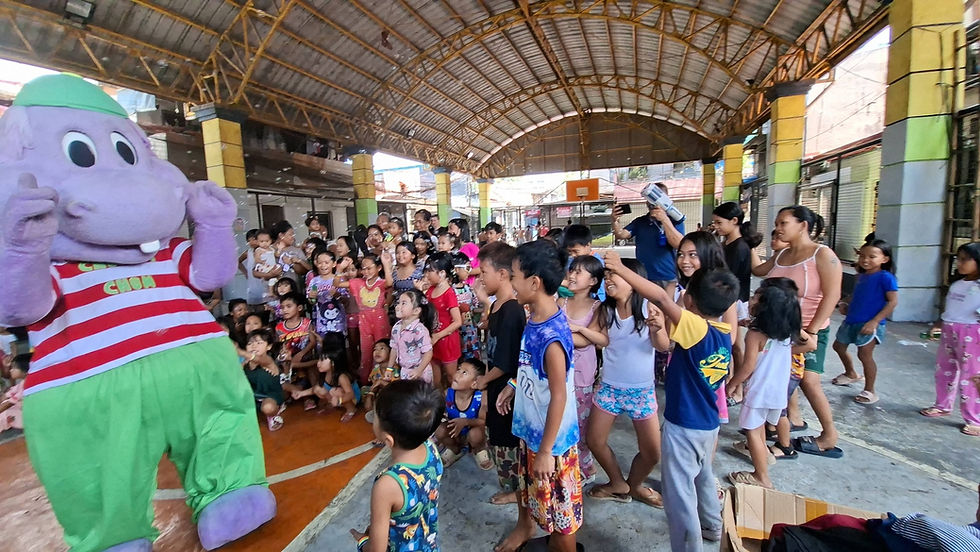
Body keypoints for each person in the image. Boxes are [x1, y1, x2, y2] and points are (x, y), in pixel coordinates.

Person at [604, 253, 737, 550]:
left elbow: (660, 299)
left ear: (689, 300)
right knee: (702, 478)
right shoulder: (722, 331)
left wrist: (621, 268)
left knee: (679, 499)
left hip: (685, 426)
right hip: (708, 425)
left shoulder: (697, 328)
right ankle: (714, 527)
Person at [494, 239, 581, 552]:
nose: (510, 281)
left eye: (514, 275)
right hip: (532, 431)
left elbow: (559, 397)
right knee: (532, 494)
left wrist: (546, 451)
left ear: (534, 282)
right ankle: (527, 526)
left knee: (561, 518)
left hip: (552, 444)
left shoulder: (553, 337)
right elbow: (529, 366)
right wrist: (513, 386)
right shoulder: (534, 317)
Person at [753, 205, 843, 458]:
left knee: (809, 381)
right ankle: (790, 421)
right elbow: (759, 271)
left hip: (810, 331)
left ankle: (829, 435)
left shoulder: (822, 255)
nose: (778, 228)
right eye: (778, 223)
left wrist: (812, 330)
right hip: (781, 331)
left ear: (803, 225)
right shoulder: (781, 256)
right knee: (783, 377)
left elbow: (833, 293)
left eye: (784, 223)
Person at [586, 257, 666, 508]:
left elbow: (664, 346)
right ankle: (617, 483)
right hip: (609, 387)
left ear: (634, 281)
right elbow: (593, 337)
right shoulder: (604, 310)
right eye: (607, 275)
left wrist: (658, 329)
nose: (608, 280)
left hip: (641, 391)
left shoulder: (649, 309)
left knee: (653, 452)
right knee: (595, 441)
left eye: (614, 275)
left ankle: (635, 484)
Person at [725, 278, 815, 489]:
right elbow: (810, 344)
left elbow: (747, 368)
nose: (752, 300)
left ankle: (761, 477)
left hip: (759, 391)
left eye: (756, 297)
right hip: (778, 391)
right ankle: (763, 459)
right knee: (761, 428)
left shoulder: (755, 335)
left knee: (753, 432)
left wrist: (732, 384)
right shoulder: (786, 331)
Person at [350, 380, 444, 552]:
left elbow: (377, 550)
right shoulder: (431, 448)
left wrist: (363, 542)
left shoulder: (388, 484)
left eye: (375, 417)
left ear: (388, 440)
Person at [475, 242, 526, 507]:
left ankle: (516, 491)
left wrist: (483, 380)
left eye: (484, 272)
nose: (480, 278)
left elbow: (507, 362)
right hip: (494, 386)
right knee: (496, 435)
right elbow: (492, 349)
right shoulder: (496, 306)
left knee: (508, 441)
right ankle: (511, 485)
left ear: (503, 274)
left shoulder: (512, 310)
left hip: (507, 391)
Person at [675, 232, 738, 421]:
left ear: (708, 255)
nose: (684, 261)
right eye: (680, 254)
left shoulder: (722, 290)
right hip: (682, 366)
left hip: (705, 367)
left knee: (705, 422)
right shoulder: (684, 289)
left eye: (693, 255)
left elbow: (731, 335)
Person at [920, 241, 980, 436]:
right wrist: (939, 324)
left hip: (972, 333)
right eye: (958, 259)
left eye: (965, 260)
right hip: (949, 330)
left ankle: (974, 418)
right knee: (944, 370)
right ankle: (942, 404)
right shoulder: (957, 285)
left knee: (970, 376)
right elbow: (949, 309)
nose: (959, 263)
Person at [831, 239, 899, 405]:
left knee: (865, 355)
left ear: (885, 259)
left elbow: (892, 301)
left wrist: (875, 321)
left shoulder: (885, 277)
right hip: (852, 320)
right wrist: (845, 303)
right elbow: (857, 295)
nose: (865, 260)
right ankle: (851, 373)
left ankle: (870, 390)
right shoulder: (861, 276)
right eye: (862, 256)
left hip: (869, 323)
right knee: (838, 346)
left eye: (872, 256)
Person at [559, 255, 607, 485]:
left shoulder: (597, 306)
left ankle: (585, 468)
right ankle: (567, 465)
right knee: (562, 418)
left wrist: (576, 331)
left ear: (593, 280)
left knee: (580, 421)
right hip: (560, 368)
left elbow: (588, 341)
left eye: (580, 272)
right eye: (572, 270)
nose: (573, 275)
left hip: (582, 372)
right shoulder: (562, 301)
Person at [711, 202, 764, 377]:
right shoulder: (728, 243)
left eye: (719, 222)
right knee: (732, 343)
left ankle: (738, 382)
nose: (715, 226)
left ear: (734, 220)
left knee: (735, 345)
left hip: (734, 299)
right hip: (729, 298)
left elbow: (729, 276)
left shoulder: (740, 246)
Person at [611, 182, 685, 297]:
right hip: (644, 276)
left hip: (668, 276)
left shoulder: (675, 220)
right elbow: (621, 234)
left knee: (668, 310)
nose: (651, 203)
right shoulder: (640, 222)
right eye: (648, 199)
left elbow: (678, 244)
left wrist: (665, 220)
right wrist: (615, 220)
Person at [337, 252, 395, 384]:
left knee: (382, 348)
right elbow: (337, 283)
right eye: (363, 268)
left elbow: (390, 283)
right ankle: (366, 382)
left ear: (378, 268)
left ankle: (385, 380)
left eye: (369, 268)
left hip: (380, 319)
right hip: (364, 320)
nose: (366, 271)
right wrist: (340, 269)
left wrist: (386, 264)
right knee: (366, 350)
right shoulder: (357, 282)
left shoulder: (381, 283)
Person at [436, 357, 493, 470]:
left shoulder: (480, 398)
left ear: (474, 384)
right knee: (439, 430)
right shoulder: (447, 394)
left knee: (475, 434)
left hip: (473, 429)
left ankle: (479, 449)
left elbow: (483, 421)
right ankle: (455, 449)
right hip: (456, 431)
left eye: (464, 372)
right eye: (458, 369)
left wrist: (465, 422)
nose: (458, 374)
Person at [424, 252, 463, 388]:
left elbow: (458, 321)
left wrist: (438, 335)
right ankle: (440, 405)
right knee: (436, 378)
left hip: (447, 340)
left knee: (452, 376)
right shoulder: (429, 291)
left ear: (442, 273)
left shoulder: (449, 293)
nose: (427, 274)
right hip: (433, 339)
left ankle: (455, 404)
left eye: (430, 271)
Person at [276, 292, 320, 410]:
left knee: (309, 367)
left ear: (299, 308)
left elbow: (312, 342)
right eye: (282, 307)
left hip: (305, 357)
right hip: (289, 360)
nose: (285, 310)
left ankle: (314, 396)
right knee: (288, 366)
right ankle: (304, 397)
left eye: (288, 306)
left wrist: (301, 353)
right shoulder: (279, 327)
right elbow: (280, 346)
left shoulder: (307, 323)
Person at [242, 329, 286, 431]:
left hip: (270, 396)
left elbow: (258, 359)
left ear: (269, 346)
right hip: (253, 397)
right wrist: (243, 363)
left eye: (259, 343)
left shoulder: (268, 361)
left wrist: (241, 352)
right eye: (250, 343)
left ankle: (274, 414)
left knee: (268, 408)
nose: (254, 346)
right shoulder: (245, 363)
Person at [388, 289, 435, 384]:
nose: (397, 306)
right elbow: (394, 348)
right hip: (405, 371)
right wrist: (389, 368)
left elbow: (428, 353)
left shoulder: (419, 330)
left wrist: (419, 370)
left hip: (421, 372)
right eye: (398, 303)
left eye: (403, 303)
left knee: (420, 397)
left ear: (416, 310)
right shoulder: (396, 327)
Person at [307, 250, 347, 341]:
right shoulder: (314, 281)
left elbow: (345, 300)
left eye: (326, 262)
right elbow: (312, 302)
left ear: (334, 264)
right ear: (316, 264)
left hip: (338, 322)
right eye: (320, 263)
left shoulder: (339, 279)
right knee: (323, 347)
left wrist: (337, 295)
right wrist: (312, 298)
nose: (323, 265)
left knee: (338, 347)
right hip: (322, 322)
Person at [562, 224, 606, 301]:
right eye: (569, 251)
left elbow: (600, 293)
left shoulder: (598, 264)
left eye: (576, 251)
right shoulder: (570, 260)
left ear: (588, 245)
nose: (573, 255)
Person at [452, 252, 482, 359]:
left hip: (472, 334)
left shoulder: (469, 288)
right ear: (456, 270)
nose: (469, 272)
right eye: (467, 268)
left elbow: (475, 307)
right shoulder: (450, 291)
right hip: (457, 335)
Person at [271, 220, 311, 286]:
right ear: (281, 235)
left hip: (293, 289)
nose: (293, 237)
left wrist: (292, 264)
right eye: (290, 234)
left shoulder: (296, 250)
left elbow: (304, 271)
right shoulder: (268, 250)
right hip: (272, 290)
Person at [363, 339, 394, 423]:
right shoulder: (375, 371)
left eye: (382, 348)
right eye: (375, 349)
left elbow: (397, 390)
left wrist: (381, 382)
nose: (377, 352)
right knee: (365, 391)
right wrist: (370, 394)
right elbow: (374, 389)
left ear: (392, 352)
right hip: (381, 399)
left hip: (394, 400)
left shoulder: (396, 370)